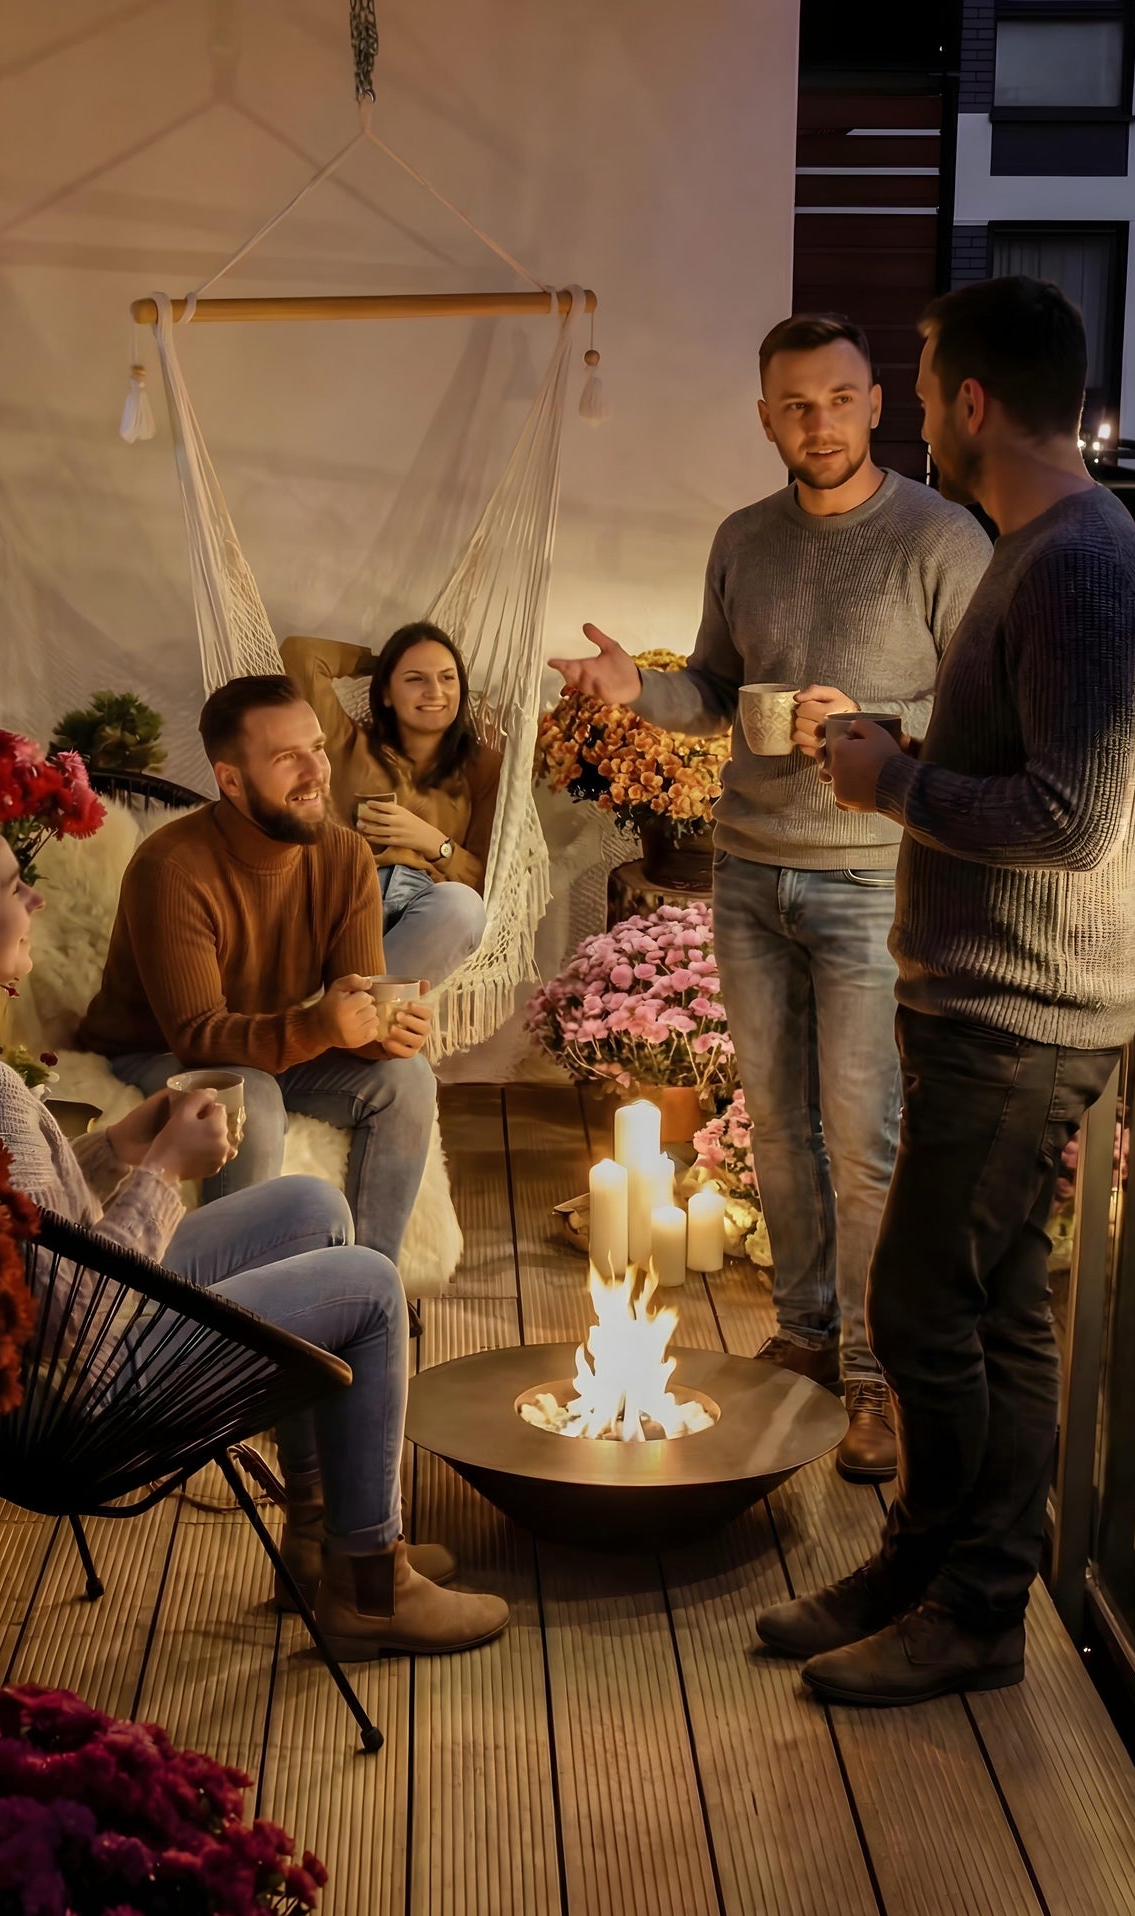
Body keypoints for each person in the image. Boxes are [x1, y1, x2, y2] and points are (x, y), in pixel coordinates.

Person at [0, 801, 507, 1661]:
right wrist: (165, 1171)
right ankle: (371, 1584)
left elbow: (33, 1223)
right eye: (10, 885)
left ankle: (323, 1530)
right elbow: (78, 1309)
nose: (34, 901)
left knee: (314, 1210)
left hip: (60, 1361)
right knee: (368, 1281)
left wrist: (118, 1146)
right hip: (88, 1395)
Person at [755, 276, 1135, 1704]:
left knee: (922, 1305)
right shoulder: (1039, 549)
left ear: (972, 403)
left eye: (923, 387)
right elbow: (1028, 754)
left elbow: (1071, 818)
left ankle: (976, 1607)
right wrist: (911, 746)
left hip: (1023, 1010)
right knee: (991, 1309)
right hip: (988, 997)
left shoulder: (1076, 566)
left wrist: (891, 784)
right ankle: (932, 1569)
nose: (914, 412)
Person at [551, 313, 991, 1483]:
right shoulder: (743, 538)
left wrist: (873, 727)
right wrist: (632, 689)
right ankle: (803, 1334)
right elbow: (710, 687)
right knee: (776, 1129)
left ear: (875, 403)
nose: (818, 422)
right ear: (764, 418)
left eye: (838, 398)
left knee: (864, 1138)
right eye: (795, 404)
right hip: (746, 869)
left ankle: (873, 1372)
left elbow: (987, 714)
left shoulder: (941, 538)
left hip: (870, 880)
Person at [77, 674, 437, 1269]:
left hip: (267, 1039)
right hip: (151, 1049)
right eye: (287, 758)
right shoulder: (171, 868)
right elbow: (196, 1035)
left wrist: (384, 1031)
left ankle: (368, 1278)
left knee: (409, 1079)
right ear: (231, 780)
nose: (316, 771)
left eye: (316, 747)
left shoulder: (344, 855)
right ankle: (242, 1307)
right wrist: (318, 1028)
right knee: (252, 1098)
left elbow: (357, 995)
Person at [280, 624, 501, 990]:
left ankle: (356, 1007)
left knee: (463, 907)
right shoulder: (344, 742)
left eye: (447, 678)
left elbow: (486, 882)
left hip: (422, 909)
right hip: (344, 894)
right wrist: (382, 664)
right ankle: (362, 1011)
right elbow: (302, 654)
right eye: (415, 679)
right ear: (385, 692)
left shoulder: (485, 768)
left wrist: (434, 842)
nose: (435, 692)